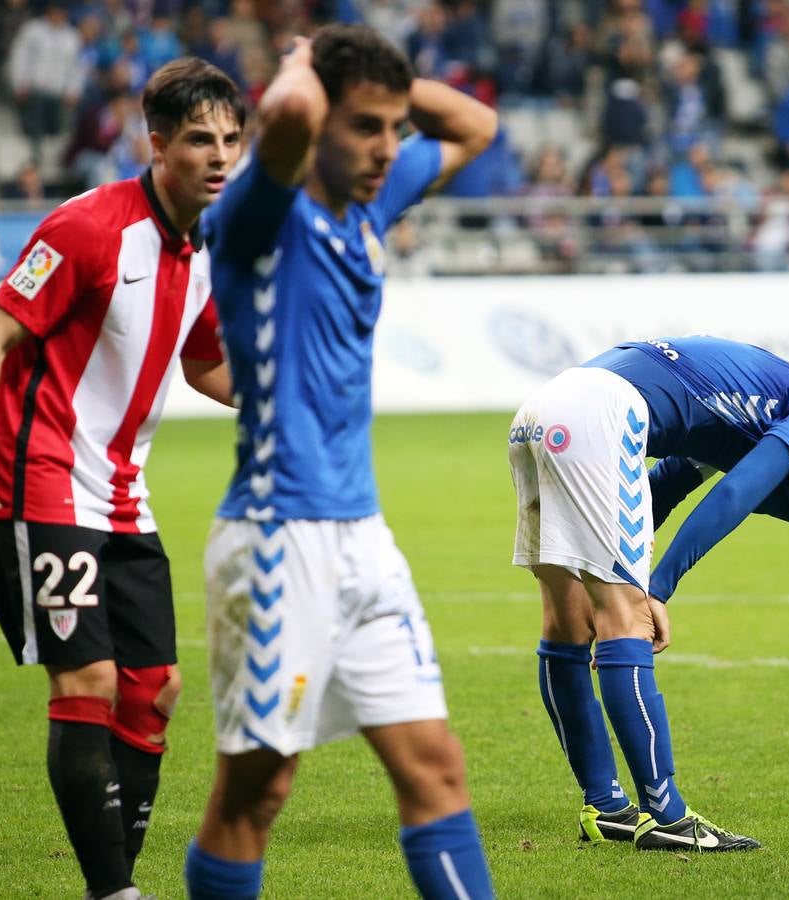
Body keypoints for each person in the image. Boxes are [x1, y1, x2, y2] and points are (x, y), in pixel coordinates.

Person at [184, 25, 497, 900]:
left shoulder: (371, 194)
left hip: (364, 539)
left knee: (435, 766)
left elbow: (475, 126)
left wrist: (387, 87)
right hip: (279, 540)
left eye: (394, 128)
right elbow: (283, 109)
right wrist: (305, 57)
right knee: (256, 793)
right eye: (364, 126)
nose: (386, 148)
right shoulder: (256, 214)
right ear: (320, 122)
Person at [0, 59, 243, 900]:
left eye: (230, 140)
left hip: (119, 494)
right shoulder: (85, 228)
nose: (218, 157)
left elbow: (207, 365)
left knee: (153, 694)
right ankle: (114, 893)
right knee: (89, 682)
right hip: (36, 479)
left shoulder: (203, 248)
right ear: (156, 144)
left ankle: (114, 885)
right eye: (198, 140)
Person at [507, 335, 789, 851]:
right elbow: (737, 492)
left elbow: (672, 481)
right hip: (601, 416)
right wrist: (652, 588)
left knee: (566, 621)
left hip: (540, 412)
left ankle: (605, 808)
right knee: (626, 619)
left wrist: (616, 571)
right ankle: (669, 818)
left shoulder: (748, 408)